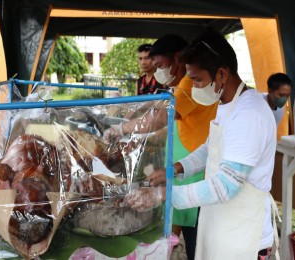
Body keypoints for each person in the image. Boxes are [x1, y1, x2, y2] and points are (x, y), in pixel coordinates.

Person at [124, 28, 278, 260]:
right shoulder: (226, 104)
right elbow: (210, 148)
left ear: (222, 75)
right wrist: (174, 169)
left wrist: (162, 195)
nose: (193, 87)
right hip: (221, 219)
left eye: (197, 80)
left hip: (245, 234)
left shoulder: (250, 114)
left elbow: (225, 186)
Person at [104, 34, 218, 260]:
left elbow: (160, 117)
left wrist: (122, 129)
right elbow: (173, 123)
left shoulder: (189, 83)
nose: (158, 72)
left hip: (197, 167)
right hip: (185, 162)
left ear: (177, 58)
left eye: (160, 65)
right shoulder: (182, 85)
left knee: (194, 228)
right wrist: (148, 138)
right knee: (181, 222)